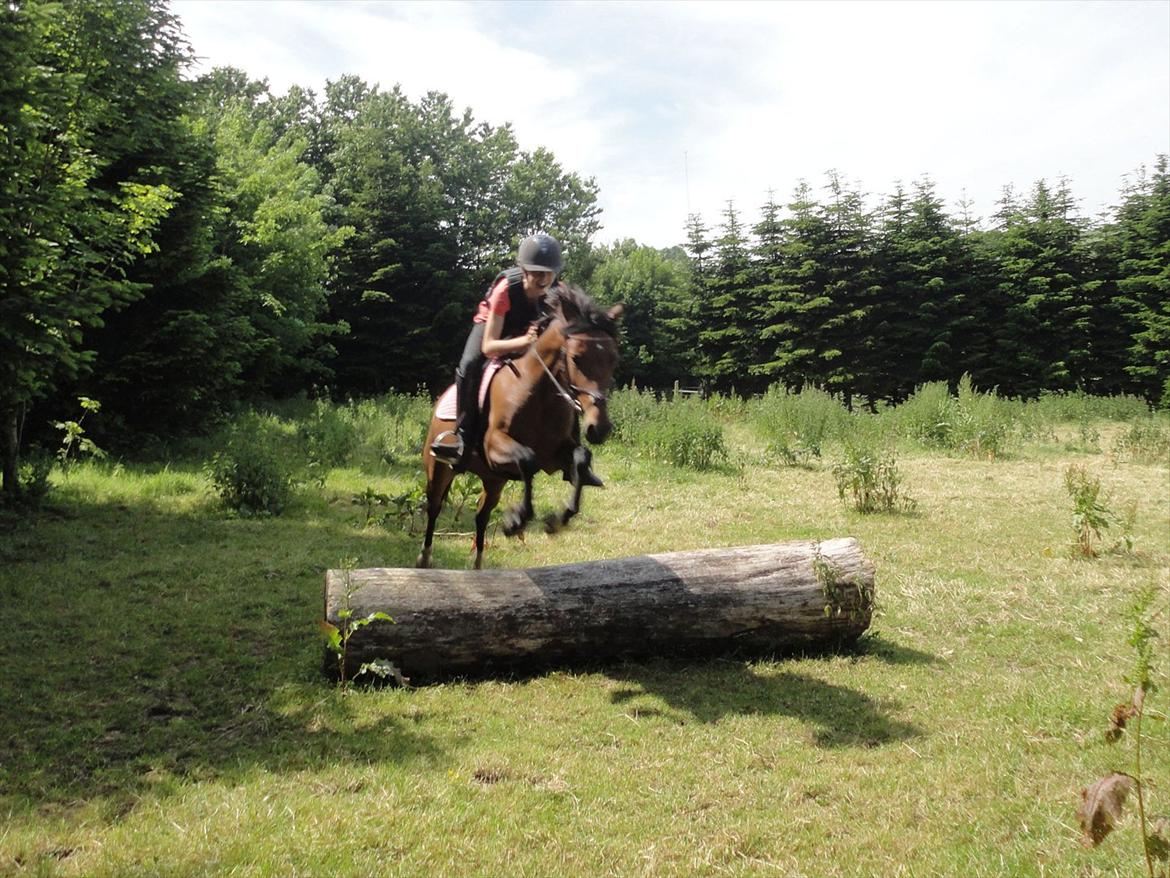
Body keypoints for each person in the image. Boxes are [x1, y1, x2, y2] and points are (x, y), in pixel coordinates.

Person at [431, 234, 573, 469]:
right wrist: (524, 342)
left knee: (562, 369)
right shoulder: (505, 290)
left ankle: (571, 445)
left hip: (529, 335)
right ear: (524, 271)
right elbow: (489, 347)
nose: (544, 279)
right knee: (469, 364)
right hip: (493, 328)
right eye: (537, 273)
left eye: (549, 273)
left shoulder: (559, 291)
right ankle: (462, 439)